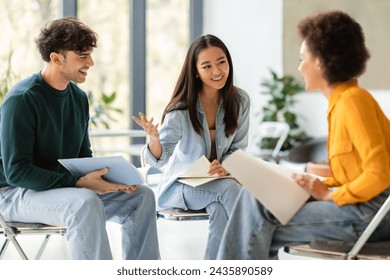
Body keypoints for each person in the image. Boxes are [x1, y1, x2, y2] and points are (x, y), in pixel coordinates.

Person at [216, 10, 390, 259]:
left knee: (253, 224)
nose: (299, 68)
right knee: (252, 197)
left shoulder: (353, 102)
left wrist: (330, 194)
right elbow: (355, 174)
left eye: (302, 59)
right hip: (362, 207)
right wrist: (314, 184)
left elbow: (380, 174)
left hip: (371, 213)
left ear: (319, 62)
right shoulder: (342, 102)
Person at [0, 17, 160, 260]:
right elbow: (17, 173)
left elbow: (83, 158)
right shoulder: (22, 100)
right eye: (82, 56)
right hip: (13, 194)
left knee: (142, 196)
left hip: (62, 190)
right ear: (56, 58)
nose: (91, 63)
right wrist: (78, 183)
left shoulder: (78, 98)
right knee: (84, 202)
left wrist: (108, 179)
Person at [132, 34, 251, 259]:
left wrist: (226, 167)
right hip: (182, 186)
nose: (217, 71)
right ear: (196, 71)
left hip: (219, 185)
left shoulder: (240, 101)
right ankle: (259, 252)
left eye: (221, 62)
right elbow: (161, 159)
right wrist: (154, 139)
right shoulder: (181, 110)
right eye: (207, 66)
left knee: (220, 210)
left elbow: (239, 147)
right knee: (231, 190)